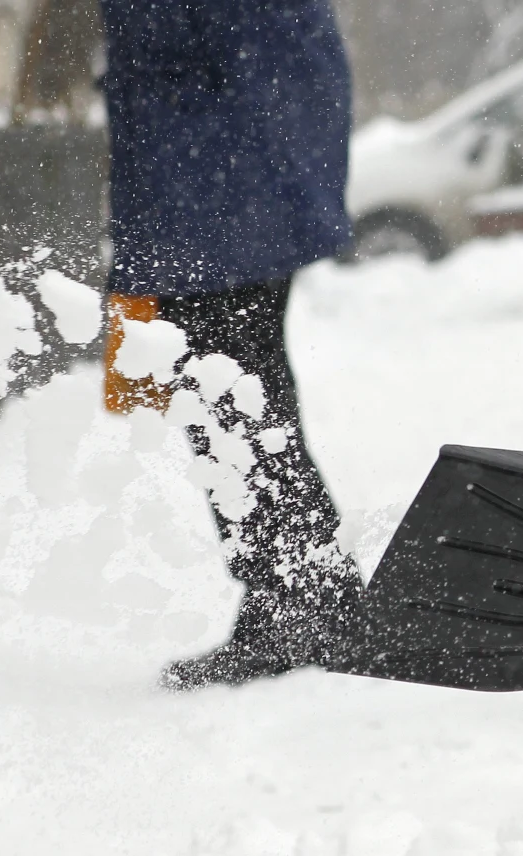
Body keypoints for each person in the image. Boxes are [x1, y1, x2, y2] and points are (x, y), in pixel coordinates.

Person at [99, 0, 364, 690]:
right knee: (236, 399)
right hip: (207, 203)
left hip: (218, 208)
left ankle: (301, 601)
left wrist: (276, 204)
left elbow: (282, 70)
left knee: (232, 401)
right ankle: (307, 593)